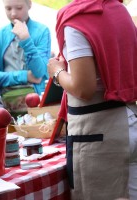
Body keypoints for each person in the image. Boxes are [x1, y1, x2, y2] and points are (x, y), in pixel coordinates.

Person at [47, 0, 137, 199]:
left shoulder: (77, 19)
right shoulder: (119, 10)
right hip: (129, 121)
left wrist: (57, 71)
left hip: (99, 133)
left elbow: (83, 88)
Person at [0, 0, 51, 116]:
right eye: (8, 9)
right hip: (6, 108)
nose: (13, 14)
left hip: (37, 106)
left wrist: (26, 39)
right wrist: (25, 76)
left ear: (29, 4)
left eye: (19, 8)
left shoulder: (42, 31)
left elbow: (39, 72)